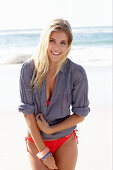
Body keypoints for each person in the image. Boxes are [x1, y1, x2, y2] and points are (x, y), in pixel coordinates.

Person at [18, 18, 90, 170]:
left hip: (65, 139)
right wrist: (44, 154)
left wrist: (51, 129)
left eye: (63, 42)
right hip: (37, 140)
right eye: (52, 40)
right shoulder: (28, 69)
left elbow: (80, 114)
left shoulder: (77, 73)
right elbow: (28, 114)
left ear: (68, 45)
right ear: (45, 40)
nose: (57, 47)